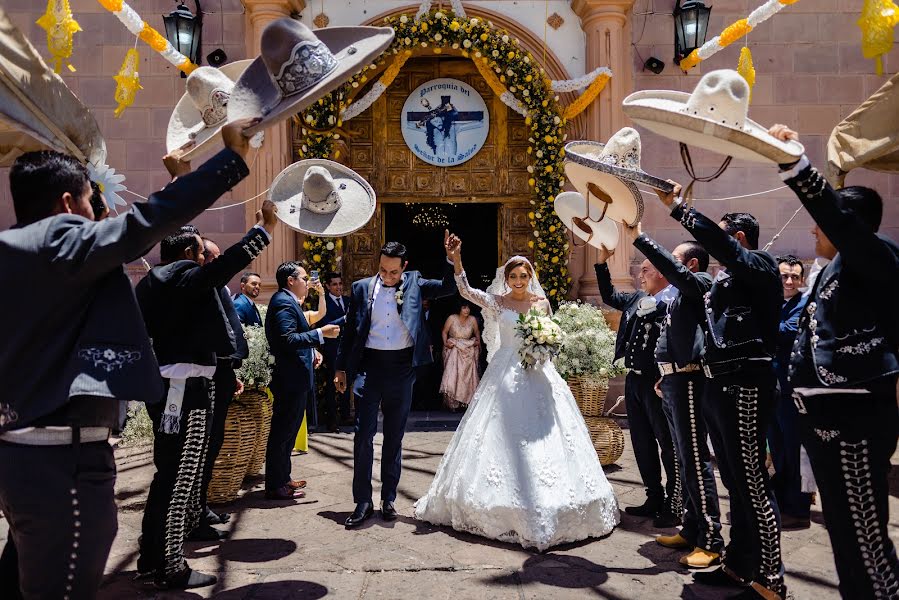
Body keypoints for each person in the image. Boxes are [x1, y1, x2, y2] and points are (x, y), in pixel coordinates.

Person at [0, 117, 258, 600]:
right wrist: (232, 159)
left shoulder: (16, 256)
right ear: (66, 205)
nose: (99, 216)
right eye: (91, 202)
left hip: (18, 454)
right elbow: (143, 224)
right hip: (64, 463)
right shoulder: (62, 241)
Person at [770, 124, 899, 599]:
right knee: (843, 536)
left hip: (855, 418)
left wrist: (794, 165)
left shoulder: (876, 256)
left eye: (821, 220)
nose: (812, 228)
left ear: (849, 226)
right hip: (824, 418)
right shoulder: (833, 270)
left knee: (864, 537)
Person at [414, 253, 619, 550]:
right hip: (505, 371)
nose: (519, 282)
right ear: (506, 279)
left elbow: (552, 336)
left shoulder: (541, 303)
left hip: (539, 372)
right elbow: (467, 291)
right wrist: (457, 261)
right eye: (514, 277)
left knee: (548, 434)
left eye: (523, 276)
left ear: (530, 276)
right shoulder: (498, 302)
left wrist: (544, 346)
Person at [135, 193, 277, 589]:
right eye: (201, 254)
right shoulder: (180, 276)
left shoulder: (151, 283)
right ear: (185, 253)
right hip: (187, 391)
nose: (205, 262)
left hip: (166, 387)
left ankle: (151, 559)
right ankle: (170, 565)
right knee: (182, 478)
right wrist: (264, 228)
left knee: (169, 475)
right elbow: (226, 265)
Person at [656, 188, 786, 600]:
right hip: (720, 385)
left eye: (726, 236)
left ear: (739, 239)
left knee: (751, 481)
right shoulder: (726, 281)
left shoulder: (760, 266)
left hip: (747, 383)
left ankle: (771, 578)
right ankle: (739, 565)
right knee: (734, 480)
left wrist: (681, 211)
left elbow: (723, 249)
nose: (721, 245)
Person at [336, 234, 460, 528]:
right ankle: (363, 501)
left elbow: (448, 287)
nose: (388, 277)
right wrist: (341, 369)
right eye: (383, 270)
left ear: (405, 267)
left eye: (394, 271)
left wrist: (451, 259)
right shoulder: (361, 288)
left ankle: (388, 498)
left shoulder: (416, 283)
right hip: (369, 369)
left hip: (403, 369)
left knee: (394, 436)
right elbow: (350, 332)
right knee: (362, 436)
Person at [632, 231, 725, 568]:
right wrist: (664, 373)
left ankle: (712, 539)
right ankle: (691, 527)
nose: (665, 265)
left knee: (695, 459)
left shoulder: (699, 280)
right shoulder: (680, 291)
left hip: (688, 379)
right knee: (685, 460)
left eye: (673, 259)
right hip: (672, 378)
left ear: (692, 263)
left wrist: (641, 238)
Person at [595, 252, 681, 527]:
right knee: (642, 442)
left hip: (658, 381)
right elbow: (609, 295)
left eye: (645, 270)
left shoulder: (675, 300)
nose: (639, 275)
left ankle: (674, 502)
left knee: (667, 443)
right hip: (635, 380)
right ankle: (653, 495)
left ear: (662, 273)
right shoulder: (636, 299)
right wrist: (601, 263)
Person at [265, 262, 339, 500]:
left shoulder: (288, 302)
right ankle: (276, 484)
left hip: (295, 378)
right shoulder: (283, 303)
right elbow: (287, 339)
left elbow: (295, 338)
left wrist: (312, 351)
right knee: (282, 432)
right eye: (304, 279)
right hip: (288, 379)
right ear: (290, 281)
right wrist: (321, 333)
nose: (307, 283)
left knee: (289, 430)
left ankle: (283, 477)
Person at [192, 236, 249, 539]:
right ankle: (196, 511)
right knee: (204, 446)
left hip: (223, 372)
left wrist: (230, 370)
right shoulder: (203, 288)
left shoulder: (219, 287)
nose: (214, 262)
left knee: (213, 444)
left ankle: (201, 506)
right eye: (209, 257)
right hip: (209, 374)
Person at [768, 254, 812, 530]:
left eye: (795, 276)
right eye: (784, 275)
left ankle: (798, 510)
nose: (789, 280)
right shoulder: (772, 302)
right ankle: (782, 501)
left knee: (794, 450)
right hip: (771, 388)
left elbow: (787, 331)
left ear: (802, 280)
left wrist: (759, 323)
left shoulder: (804, 304)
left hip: (791, 389)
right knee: (779, 449)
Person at [319, 272, 351, 431]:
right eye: (334, 284)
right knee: (332, 384)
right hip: (332, 349)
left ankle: (346, 416)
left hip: (347, 348)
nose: (338, 287)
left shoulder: (348, 301)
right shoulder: (324, 303)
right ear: (327, 286)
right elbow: (325, 324)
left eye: (340, 284)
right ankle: (332, 420)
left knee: (347, 380)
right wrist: (344, 319)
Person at [439, 301, 481, 410]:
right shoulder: (452, 318)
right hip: (454, 349)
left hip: (468, 350)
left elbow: (477, 333)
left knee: (468, 377)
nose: (467, 310)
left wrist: (478, 345)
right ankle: (453, 403)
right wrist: (445, 343)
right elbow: (444, 331)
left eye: (468, 308)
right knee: (453, 375)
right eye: (464, 308)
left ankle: (466, 403)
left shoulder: (472, 319)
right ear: (459, 308)